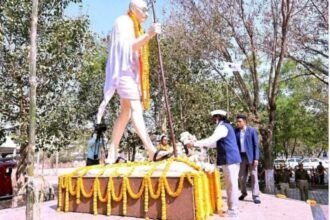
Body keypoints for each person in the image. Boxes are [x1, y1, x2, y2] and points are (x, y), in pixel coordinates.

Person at [95, 0, 172, 163]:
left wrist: (147, 35)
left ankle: (112, 154)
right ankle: (151, 151)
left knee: (126, 112)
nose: (146, 13)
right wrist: (149, 35)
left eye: (147, 10)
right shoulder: (123, 22)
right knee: (135, 108)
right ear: (132, 8)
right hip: (123, 72)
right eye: (143, 10)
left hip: (130, 74)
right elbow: (127, 48)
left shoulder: (136, 26)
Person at [187, 110, 241, 217]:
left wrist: (194, 144)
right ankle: (232, 209)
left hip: (230, 159)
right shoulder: (226, 127)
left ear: (218, 118)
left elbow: (211, 140)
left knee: (232, 185)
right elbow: (214, 144)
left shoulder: (222, 127)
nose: (213, 120)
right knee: (230, 185)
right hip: (230, 160)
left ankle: (234, 211)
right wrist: (199, 144)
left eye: (214, 118)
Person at [235, 114, 261, 204]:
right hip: (241, 157)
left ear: (244, 122)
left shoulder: (251, 131)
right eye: (237, 121)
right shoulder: (236, 132)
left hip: (251, 157)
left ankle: (255, 196)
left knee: (254, 176)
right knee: (241, 177)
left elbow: (256, 145)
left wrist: (256, 158)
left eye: (239, 121)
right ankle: (243, 193)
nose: (238, 123)